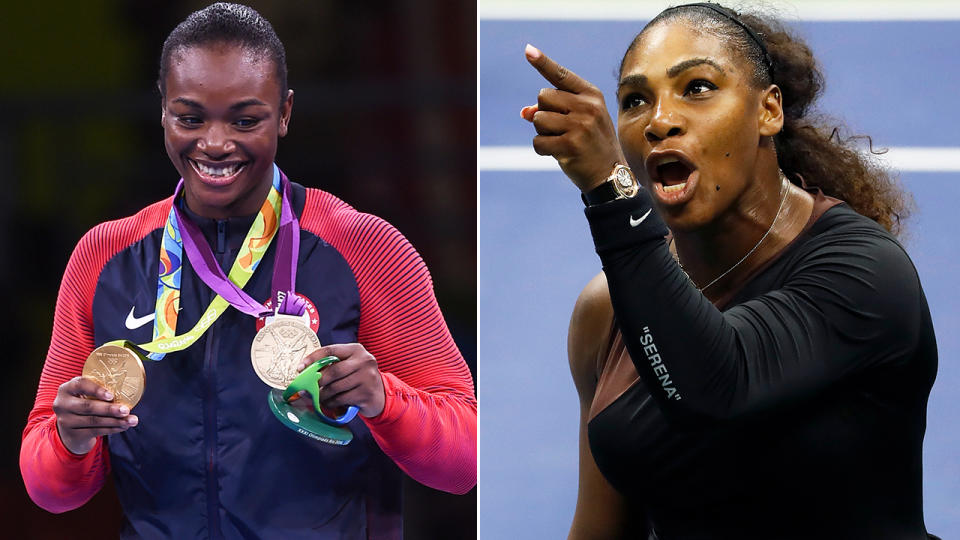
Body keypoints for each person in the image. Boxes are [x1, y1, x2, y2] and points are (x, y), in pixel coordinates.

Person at [20, 3, 476, 538]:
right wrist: (70, 441)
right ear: (162, 110)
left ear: (283, 113)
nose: (215, 143)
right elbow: (48, 489)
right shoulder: (103, 257)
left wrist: (384, 401)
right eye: (190, 117)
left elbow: (463, 462)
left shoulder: (365, 248)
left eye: (245, 119)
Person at [522, 3, 937, 539]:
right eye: (635, 101)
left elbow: (714, 392)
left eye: (697, 88)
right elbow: (602, 530)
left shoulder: (866, 274)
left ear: (768, 111)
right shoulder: (605, 312)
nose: (659, 120)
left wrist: (611, 191)